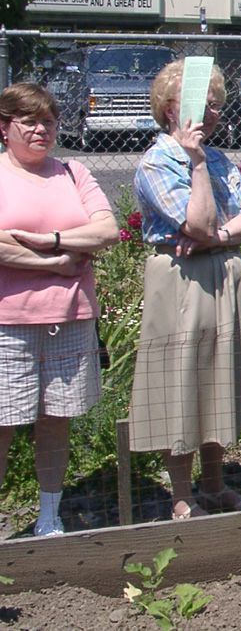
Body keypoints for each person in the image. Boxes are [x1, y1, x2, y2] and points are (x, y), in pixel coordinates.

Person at [129, 60, 241, 520]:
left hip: (220, 272)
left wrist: (221, 237)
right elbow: (197, 221)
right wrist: (194, 166)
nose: (212, 115)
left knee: (217, 380)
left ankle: (214, 485)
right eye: (203, 106)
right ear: (172, 109)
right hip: (181, 281)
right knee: (182, 379)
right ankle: (181, 493)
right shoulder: (158, 162)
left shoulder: (218, 158)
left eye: (216, 106)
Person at [0, 83, 118, 536]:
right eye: (28, 121)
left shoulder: (73, 172)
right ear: (6, 127)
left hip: (69, 318)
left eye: (47, 121)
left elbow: (106, 230)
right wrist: (57, 262)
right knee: (4, 424)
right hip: (10, 323)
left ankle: (49, 515)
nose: (39, 130)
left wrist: (50, 241)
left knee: (56, 422)